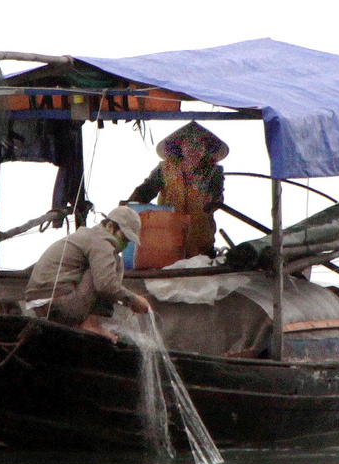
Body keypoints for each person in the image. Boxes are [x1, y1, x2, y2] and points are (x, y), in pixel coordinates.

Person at [25, 207, 151, 338]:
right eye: (124, 238)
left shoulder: (89, 236)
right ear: (110, 226)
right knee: (111, 268)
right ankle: (92, 323)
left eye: (128, 241)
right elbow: (105, 285)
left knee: (107, 268)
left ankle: (86, 322)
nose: (125, 244)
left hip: (44, 302)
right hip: (55, 303)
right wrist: (132, 299)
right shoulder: (102, 243)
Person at [128, 122, 228, 258]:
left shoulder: (214, 172)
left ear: (206, 149)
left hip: (201, 245)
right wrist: (128, 208)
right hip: (167, 242)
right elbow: (144, 192)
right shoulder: (164, 170)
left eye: (199, 144)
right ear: (180, 146)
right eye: (189, 143)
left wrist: (212, 199)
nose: (193, 148)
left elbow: (217, 198)